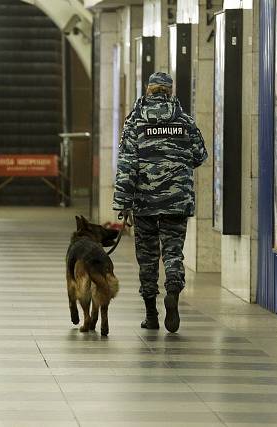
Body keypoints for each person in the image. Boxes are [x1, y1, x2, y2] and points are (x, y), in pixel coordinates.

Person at [113, 72, 208, 333]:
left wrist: (123, 201)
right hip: (177, 201)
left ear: (148, 91)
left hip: (145, 202)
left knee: (147, 257)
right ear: (169, 91)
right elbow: (200, 155)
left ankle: (151, 314)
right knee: (173, 252)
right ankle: (174, 291)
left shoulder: (135, 121)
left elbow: (126, 164)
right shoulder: (184, 120)